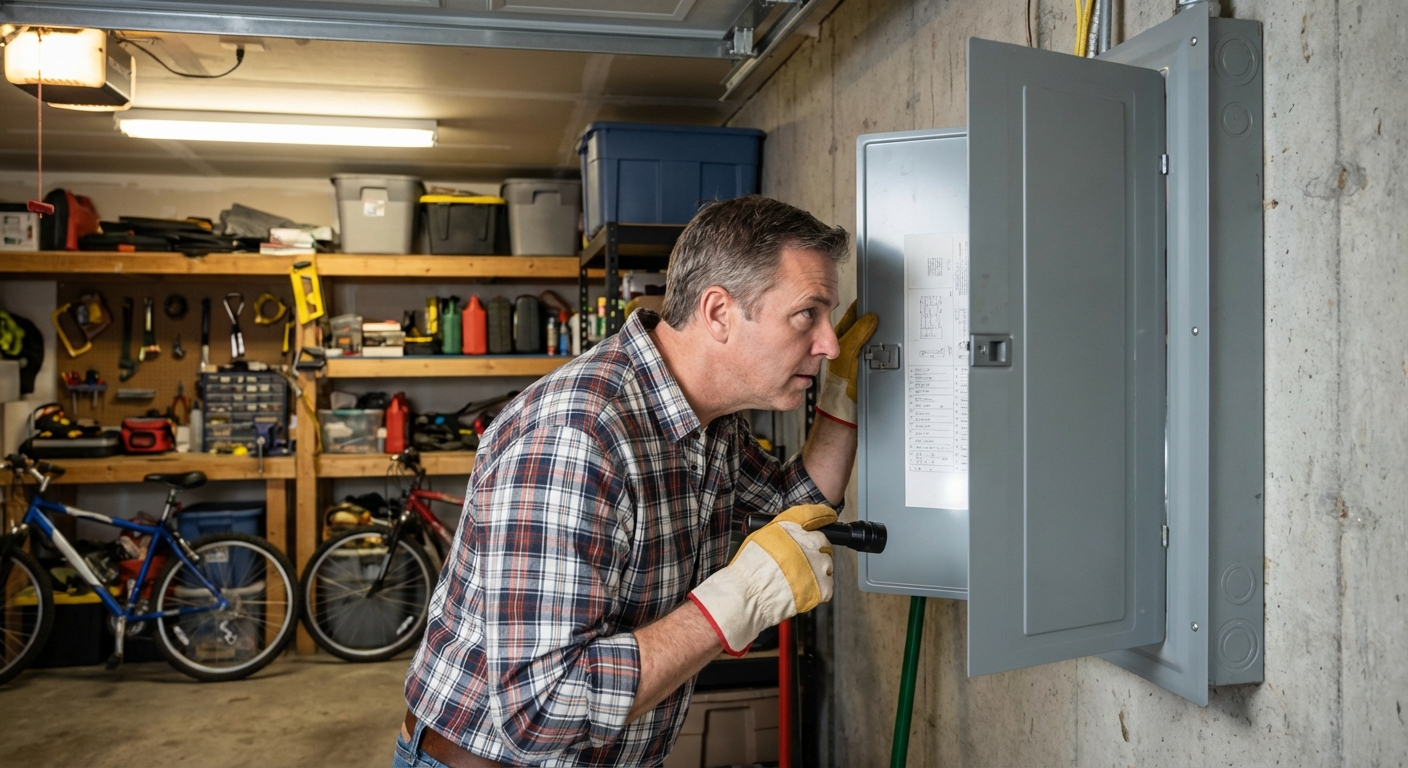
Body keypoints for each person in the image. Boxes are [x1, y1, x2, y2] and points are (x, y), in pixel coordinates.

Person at [396, 195, 878, 768]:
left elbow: (796, 507)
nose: (828, 342)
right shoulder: (578, 438)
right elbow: (540, 708)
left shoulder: (710, 418)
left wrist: (840, 396)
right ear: (719, 312)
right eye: (808, 315)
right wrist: (735, 601)